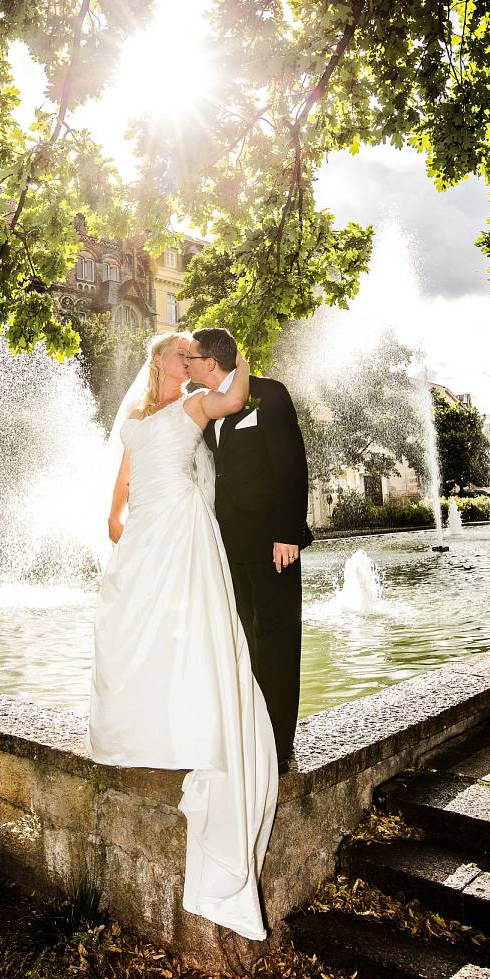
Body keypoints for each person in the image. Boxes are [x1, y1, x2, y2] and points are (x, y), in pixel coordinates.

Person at [90, 332, 277, 941]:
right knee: (136, 631)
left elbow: (237, 392)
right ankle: (143, 728)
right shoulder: (138, 418)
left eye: (197, 355)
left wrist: (235, 356)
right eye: (184, 354)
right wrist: (120, 521)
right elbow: (122, 483)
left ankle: (191, 726)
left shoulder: (197, 404)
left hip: (183, 526)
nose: (191, 361)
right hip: (149, 527)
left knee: (190, 630)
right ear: (162, 361)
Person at [190, 327, 312, 770]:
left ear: (210, 363)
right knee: (245, 640)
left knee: (277, 640)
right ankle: (253, 733)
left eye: (192, 358)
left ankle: (280, 747)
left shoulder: (269, 394)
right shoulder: (206, 408)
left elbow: (291, 465)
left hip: (273, 542)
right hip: (229, 542)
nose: (186, 364)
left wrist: (287, 533)